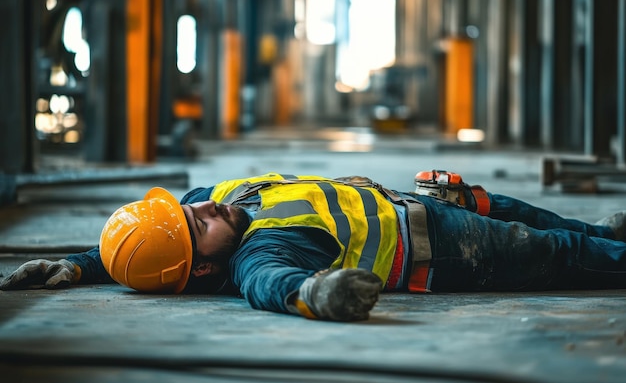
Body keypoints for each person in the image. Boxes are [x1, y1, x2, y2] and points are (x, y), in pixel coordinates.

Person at [2, 171, 626, 322]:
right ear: (203, 268)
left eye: (188, 208)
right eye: (197, 227)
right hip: (442, 248)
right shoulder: (256, 254)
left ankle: (605, 234)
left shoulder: (216, 199)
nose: (202, 209)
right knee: (560, 253)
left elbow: (154, 238)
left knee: (530, 215)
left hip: (416, 204)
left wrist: (80, 264)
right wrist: (316, 295)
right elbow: (268, 285)